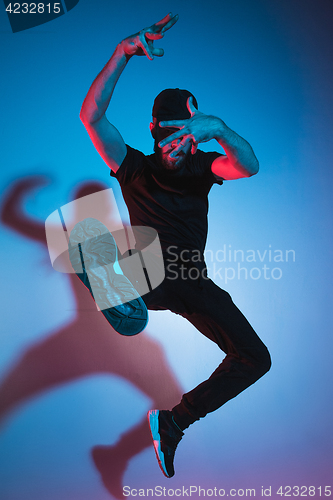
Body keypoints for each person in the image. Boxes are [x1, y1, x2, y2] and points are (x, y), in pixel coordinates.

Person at [79, 13, 271, 479]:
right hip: (148, 268)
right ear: (153, 131)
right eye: (169, 136)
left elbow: (247, 167)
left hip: (191, 283)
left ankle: (172, 422)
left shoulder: (204, 167)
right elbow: (92, 116)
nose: (178, 147)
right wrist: (121, 54)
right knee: (144, 260)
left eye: (187, 138)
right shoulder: (132, 168)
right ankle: (110, 278)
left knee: (255, 359)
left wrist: (220, 129)